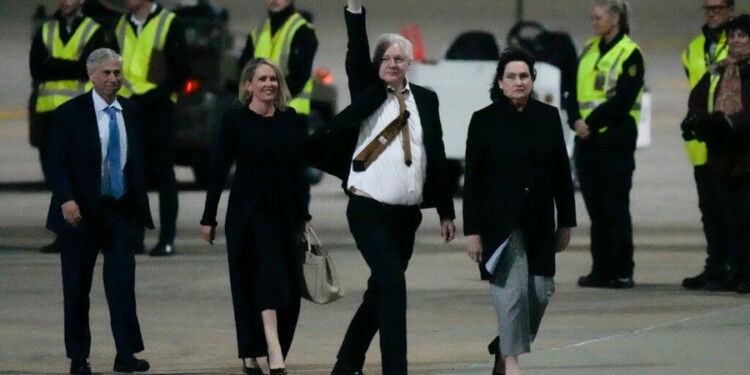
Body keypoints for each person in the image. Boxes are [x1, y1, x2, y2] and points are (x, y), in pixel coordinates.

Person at [305, 1, 456, 374]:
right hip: (367, 209)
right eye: (386, 58)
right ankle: (396, 369)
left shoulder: (427, 99)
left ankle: (347, 363)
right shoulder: (368, 92)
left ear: (410, 63)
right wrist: (354, 9)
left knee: (380, 292)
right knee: (393, 286)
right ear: (377, 65)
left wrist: (446, 209)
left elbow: (434, 152)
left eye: (399, 59)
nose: (392, 63)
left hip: (406, 217)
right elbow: (357, 48)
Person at [463, 47, 576, 375]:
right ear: (500, 82)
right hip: (500, 225)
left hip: (540, 223)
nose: (518, 82)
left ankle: (503, 348)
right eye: (511, 76)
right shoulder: (483, 121)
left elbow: (561, 174)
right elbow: (473, 181)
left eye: (524, 76)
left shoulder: (548, 117)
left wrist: (566, 222)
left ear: (532, 80)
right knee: (512, 294)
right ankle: (511, 364)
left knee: (539, 294)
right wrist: (473, 231)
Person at [44, 48, 153, 375]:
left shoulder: (131, 112)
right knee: (77, 288)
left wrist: (137, 209)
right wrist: (66, 198)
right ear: (91, 76)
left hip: (119, 213)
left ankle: (125, 353)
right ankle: (79, 357)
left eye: (117, 73)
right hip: (80, 214)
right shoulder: (70, 114)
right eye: (106, 73)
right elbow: (56, 163)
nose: (113, 79)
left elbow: (137, 162)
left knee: (122, 286)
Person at [200, 58, 311, 375]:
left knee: (287, 292)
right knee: (262, 282)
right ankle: (273, 354)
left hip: (284, 215)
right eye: (262, 79)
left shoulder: (292, 121)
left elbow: (298, 172)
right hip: (248, 217)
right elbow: (219, 170)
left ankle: (251, 355)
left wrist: (304, 213)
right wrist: (209, 218)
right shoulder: (235, 121)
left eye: (273, 79)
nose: (269, 84)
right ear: (248, 85)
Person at [567, 0, 645, 289]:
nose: (594, 22)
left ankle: (622, 269)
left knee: (615, 207)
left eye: (599, 17)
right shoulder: (588, 48)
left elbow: (624, 99)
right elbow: (572, 90)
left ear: (615, 19)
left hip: (614, 138)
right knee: (596, 209)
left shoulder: (630, 53)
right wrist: (574, 119)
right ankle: (601, 268)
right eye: (592, 18)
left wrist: (592, 122)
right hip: (587, 140)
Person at [29, 0, 114, 253]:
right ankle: (64, 232)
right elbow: (37, 68)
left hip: (79, 113)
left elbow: (90, 69)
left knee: (82, 173)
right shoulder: (46, 30)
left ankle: (88, 230)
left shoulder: (93, 30)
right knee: (56, 174)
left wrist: (55, 64)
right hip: (48, 113)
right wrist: (71, 67)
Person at [115, 0, 190, 256]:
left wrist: (155, 96)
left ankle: (167, 238)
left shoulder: (169, 23)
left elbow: (180, 71)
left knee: (163, 173)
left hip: (157, 108)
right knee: (132, 173)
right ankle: (134, 236)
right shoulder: (122, 24)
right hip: (128, 105)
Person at [683, 14, 750, 294]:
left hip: (746, 155)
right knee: (730, 218)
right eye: (732, 36)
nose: (735, 41)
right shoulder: (720, 69)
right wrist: (696, 120)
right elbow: (698, 96)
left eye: (742, 36)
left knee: (746, 219)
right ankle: (734, 271)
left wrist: (728, 123)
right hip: (722, 155)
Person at [238, 0, 318, 118]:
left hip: (291, 114)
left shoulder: (302, 31)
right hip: (260, 113)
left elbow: (300, 76)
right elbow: (244, 69)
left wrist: (269, 100)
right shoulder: (258, 32)